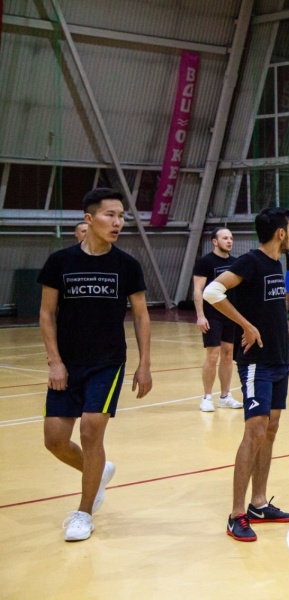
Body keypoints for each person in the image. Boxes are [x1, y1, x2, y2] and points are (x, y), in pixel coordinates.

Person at [38, 188, 153, 541]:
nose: (118, 222)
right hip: (68, 363)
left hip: (107, 361)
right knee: (55, 440)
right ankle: (100, 471)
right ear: (89, 219)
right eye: (110, 215)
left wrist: (145, 364)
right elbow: (46, 313)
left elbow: (141, 315)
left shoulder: (127, 265)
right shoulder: (60, 262)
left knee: (90, 430)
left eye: (121, 216)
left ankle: (84, 513)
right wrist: (55, 362)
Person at [203, 207, 289, 542]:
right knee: (254, 431)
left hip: (280, 358)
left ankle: (258, 504)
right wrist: (245, 324)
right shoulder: (251, 262)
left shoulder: (276, 263)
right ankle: (236, 514)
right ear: (280, 233)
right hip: (257, 362)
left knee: (270, 430)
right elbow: (212, 292)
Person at [192, 227, 241, 412]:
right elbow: (198, 290)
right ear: (215, 241)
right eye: (225, 238)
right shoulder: (205, 262)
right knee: (213, 355)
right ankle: (206, 397)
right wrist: (200, 315)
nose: (229, 241)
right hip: (212, 315)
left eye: (231, 238)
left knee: (228, 354)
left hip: (230, 314)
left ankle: (225, 396)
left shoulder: (236, 263)